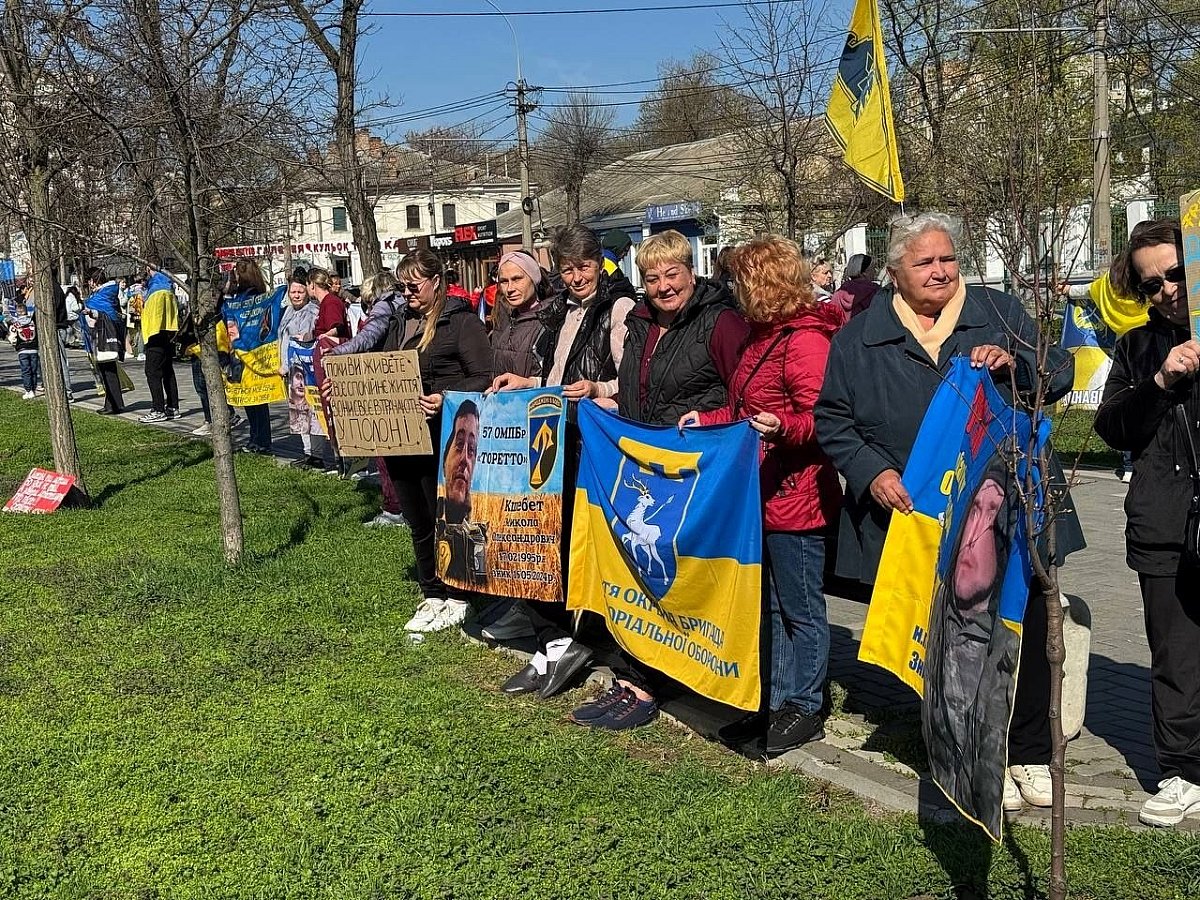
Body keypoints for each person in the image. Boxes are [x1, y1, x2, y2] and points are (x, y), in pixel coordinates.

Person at [814, 211, 1083, 813]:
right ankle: (959, 750)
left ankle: (1031, 752)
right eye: (924, 262)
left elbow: (1059, 372)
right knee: (943, 630)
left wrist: (1018, 364)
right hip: (919, 517)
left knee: (1024, 621)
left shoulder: (998, 311)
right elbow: (833, 419)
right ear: (893, 272)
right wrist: (871, 472)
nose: (939, 271)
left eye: (948, 259)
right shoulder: (859, 336)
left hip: (1005, 503)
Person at [570, 229, 747, 732]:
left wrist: (703, 423)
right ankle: (630, 676)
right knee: (634, 576)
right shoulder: (642, 323)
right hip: (641, 464)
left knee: (671, 578)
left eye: (673, 274)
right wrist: (610, 407)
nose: (664, 286)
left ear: (692, 271)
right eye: (652, 277)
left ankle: (654, 681)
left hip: (693, 473)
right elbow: (635, 390)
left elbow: (741, 397)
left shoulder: (722, 322)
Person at [680, 235, 843, 757]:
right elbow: (749, 408)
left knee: (800, 609)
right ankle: (775, 699)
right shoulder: (761, 337)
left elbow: (824, 419)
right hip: (761, 493)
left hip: (797, 494)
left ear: (760, 283)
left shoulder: (804, 341)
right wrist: (707, 420)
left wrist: (784, 429)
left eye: (737, 280)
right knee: (771, 607)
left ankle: (805, 706)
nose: (730, 290)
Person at [489, 228, 639, 699]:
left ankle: (581, 640)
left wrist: (598, 391)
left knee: (580, 546)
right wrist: (525, 380)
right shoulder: (561, 312)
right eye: (568, 268)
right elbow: (556, 378)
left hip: (591, 444)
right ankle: (552, 641)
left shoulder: (619, 309)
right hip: (553, 438)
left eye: (584, 267)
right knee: (543, 543)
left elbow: (630, 383)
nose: (576, 277)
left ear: (600, 264)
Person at [1093, 218, 1200, 827]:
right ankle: (1183, 771)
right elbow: (1112, 427)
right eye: (1151, 282)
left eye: (1176, 273)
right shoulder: (1138, 347)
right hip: (1165, 518)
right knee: (1176, 653)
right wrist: (1161, 380)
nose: (1166, 290)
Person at [391, 250, 492, 634]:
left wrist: (445, 395)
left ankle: (458, 595)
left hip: (443, 435)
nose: (407, 293)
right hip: (401, 435)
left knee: (448, 516)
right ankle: (431, 591)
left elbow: (484, 374)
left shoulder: (461, 322)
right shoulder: (399, 322)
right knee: (417, 517)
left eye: (413, 286)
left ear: (436, 282)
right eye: (402, 287)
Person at [325, 270, 409, 527]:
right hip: (400, 379)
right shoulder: (403, 304)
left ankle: (395, 509)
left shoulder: (385, 305)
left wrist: (337, 353)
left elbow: (368, 337)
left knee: (386, 452)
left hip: (385, 384)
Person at [278, 273, 329, 470]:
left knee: (313, 413)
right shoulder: (287, 311)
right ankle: (307, 453)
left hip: (307, 369)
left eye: (300, 291)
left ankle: (317, 455)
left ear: (307, 292)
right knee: (299, 413)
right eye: (293, 291)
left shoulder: (313, 312)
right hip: (292, 369)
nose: (296, 295)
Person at [224, 260, 273, 453]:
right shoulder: (252, 294)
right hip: (247, 351)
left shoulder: (250, 296)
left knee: (257, 401)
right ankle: (257, 438)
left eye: (235, 273)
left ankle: (261, 441)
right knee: (252, 400)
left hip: (251, 352)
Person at [138, 267, 180, 423]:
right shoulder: (168, 285)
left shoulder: (156, 289)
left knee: (152, 371)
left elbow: (153, 316)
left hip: (156, 333)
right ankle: (173, 407)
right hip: (168, 332)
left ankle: (158, 409)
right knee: (167, 370)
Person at [83, 267, 126, 415]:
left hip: (103, 337)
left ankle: (114, 404)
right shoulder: (106, 294)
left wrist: (90, 311)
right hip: (103, 335)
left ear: (94, 281)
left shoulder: (101, 296)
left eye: (89, 280)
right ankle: (112, 403)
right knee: (108, 370)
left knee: (108, 371)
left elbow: (101, 314)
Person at [5, 298, 41, 399]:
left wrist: (14, 344)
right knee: (34, 370)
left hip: (22, 350)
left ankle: (28, 390)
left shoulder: (15, 324)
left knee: (26, 371)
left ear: (17, 313)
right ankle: (33, 389)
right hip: (34, 349)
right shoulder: (32, 322)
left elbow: (12, 338)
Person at [831, 253, 879, 320]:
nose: (875, 271)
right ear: (864, 272)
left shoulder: (838, 294)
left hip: (843, 330)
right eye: (873, 268)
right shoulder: (875, 292)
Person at [308, 268, 350, 342]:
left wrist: (325, 336)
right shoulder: (325, 302)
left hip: (333, 349)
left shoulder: (331, 302)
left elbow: (338, 328)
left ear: (312, 285)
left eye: (307, 285)